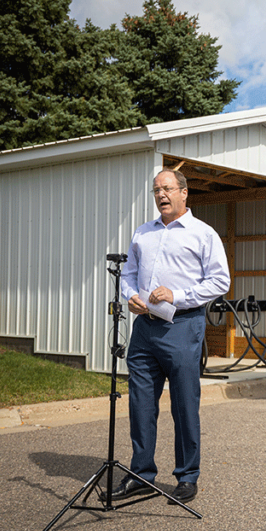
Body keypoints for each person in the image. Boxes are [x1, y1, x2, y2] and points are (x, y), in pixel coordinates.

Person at [102, 169, 230, 505]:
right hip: (144, 329)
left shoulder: (203, 234)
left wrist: (177, 295)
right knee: (141, 405)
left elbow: (220, 282)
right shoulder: (142, 233)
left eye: (168, 188)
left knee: (184, 406)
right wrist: (129, 295)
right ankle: (141, 474)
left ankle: (187, 476)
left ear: (184, 193)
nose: (161, 194)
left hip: (183, 326)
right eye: (156, 189)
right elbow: (128, 274)